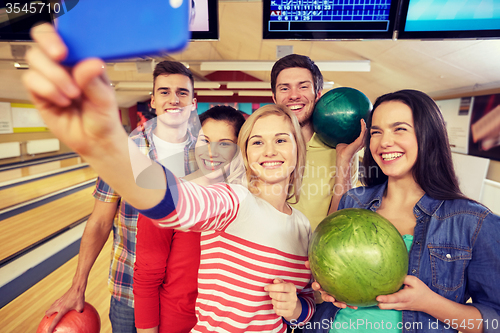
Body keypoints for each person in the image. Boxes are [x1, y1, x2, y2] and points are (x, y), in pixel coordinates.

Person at [23, 24, 315, 332]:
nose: (269, 150)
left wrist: (297, 307)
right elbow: (178, 201)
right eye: (257, 141)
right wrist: (108, 143)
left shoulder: (303, 227)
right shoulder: (234, 202)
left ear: (299, 148)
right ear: (247, 153)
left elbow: (307, 305)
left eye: (282, 140)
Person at [302, 90, 500, 333]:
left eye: (399, 129)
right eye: (376, 132)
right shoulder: (353, 202)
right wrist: (329, 288)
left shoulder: (472, 221)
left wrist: (429, 303)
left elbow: (494, 322)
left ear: (428, 135)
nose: (384, 142)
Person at [39, 40, 200, 333]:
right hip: (129, 292)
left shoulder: (207, 153)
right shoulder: (124, 151)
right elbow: (100, 222)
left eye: (182, 92)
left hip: (187, 295)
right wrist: (78, 287)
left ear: (193, 101)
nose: (173, 99)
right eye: (164, 92)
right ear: (153, 100)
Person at [133, 105, 246, 333]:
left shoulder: (244, 202)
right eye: (206, 140)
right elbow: (146, 279)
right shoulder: (170, 195)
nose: (212, 152)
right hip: (177, 325)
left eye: (224, 143)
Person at [271, 54, 365, 231]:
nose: (293, 96)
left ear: (318, 95)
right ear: (274, 98)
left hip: (316, 254)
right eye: (284, 88)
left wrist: (344, 160)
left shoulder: (340, 150)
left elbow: (341, 223)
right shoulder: (262, 148)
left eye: (303, 87)